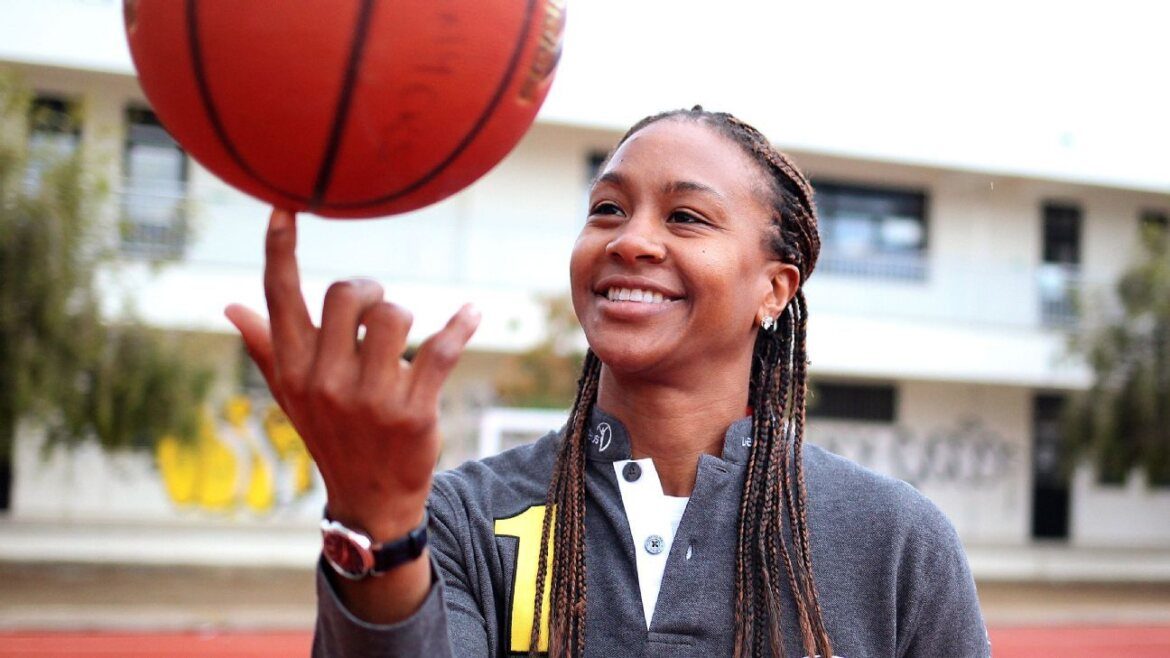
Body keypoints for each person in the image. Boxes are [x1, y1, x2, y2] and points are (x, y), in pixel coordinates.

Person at [227, 107, 990, 657]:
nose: (631, 239)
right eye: (607, 208)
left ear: (774, 289)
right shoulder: (461, 519)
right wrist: (377, 526)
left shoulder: (895, 539)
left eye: (686, 217)